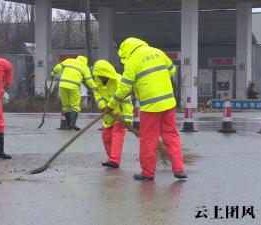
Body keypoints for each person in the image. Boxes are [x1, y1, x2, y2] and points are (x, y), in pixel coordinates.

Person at [105, 37, 187, 181]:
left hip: (151, 106)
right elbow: (172, 70)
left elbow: (124, 88)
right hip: (168, 102)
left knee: (149, 139)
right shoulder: (158, 52)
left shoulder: (132, 61)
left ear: (125, 52)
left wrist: (111, 105)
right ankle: (179, 168)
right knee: (171, 135)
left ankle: (148, 173)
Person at [93, 59, 133, 168]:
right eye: (99, 76)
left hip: (120, 115)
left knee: (117, 135)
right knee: (106, 136)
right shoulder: (96, 81)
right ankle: (111, 157)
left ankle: (114, 160)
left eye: (102, 75)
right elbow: (97, 94)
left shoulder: (119, 81)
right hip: (107, 115)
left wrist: (127, 119)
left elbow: (126, 101)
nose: (100, 78)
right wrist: (102, 106)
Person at [50, 55, 100, 130]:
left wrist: (53, 74)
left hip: (63, 85)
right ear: (85, 62)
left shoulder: (69, 60)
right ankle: (72, 124)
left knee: (66, 106)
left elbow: (58, 67)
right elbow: (89, 80)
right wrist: (95, 88)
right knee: (75, 106)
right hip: (74, 86)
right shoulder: (84, 66)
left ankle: (68, 124)